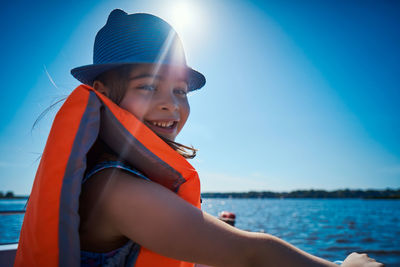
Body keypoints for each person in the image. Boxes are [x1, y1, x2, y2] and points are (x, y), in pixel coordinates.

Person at [16, 9, 384, 267]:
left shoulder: (117, 176)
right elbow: (252, 255)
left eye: (180, 91)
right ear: (103, 91)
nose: (171, 105)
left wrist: (220, 228)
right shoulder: (114, 189)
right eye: (149, 87)